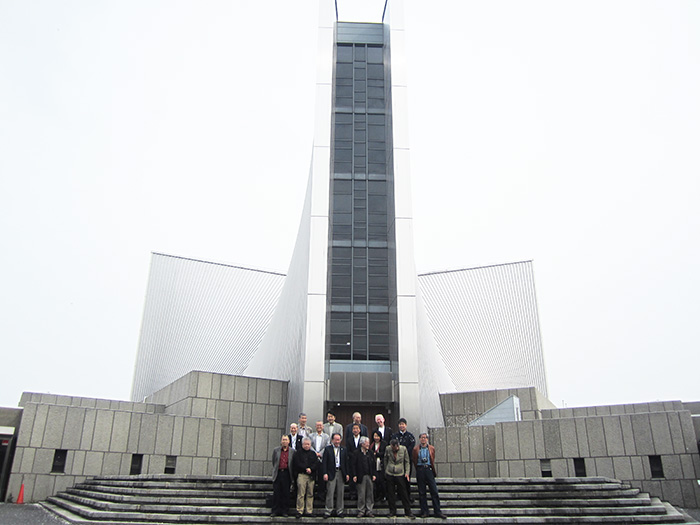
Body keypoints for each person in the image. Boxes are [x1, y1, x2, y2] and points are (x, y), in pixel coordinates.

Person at [412, 433, 447, 519]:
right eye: (422, 438)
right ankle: (424, 511)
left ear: (427, 439)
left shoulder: (431, 448)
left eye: (425, 438)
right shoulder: (416, 449)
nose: (423, 439)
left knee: (434, 491)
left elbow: (432, 458)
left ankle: (437, 511)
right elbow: (414, 460)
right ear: (419, 439)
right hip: (420, 469)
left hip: (429, 469)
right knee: (422, 492)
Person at [384, 438, 414, 518]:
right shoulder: (388, 449)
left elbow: (407, 462)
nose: (394, 449)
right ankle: (392, 511)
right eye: (393, 448)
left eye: (395, 448)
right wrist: (386, 471)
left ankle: (408, 511)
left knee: (404, 493)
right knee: (391, 493)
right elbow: (385, 460)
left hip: (400, 473)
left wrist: (407, 473)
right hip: (390, 472)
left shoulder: (403, 449)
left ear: (398, 446)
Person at [322, 433, 350, 518]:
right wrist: (325, 473)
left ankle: (340, 510)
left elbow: (346, 462)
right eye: (336, 439)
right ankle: (328, 511)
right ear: (332, 440)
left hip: (341, 472)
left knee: (340, 492)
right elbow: (324, 462)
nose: (337, 441)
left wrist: (347, 474)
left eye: (339, 439)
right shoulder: (328, 449)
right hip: (331, 472)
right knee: (330, 492)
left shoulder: (343, 449)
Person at [292, 437, 318, 518]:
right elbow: (297, 463)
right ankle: (300, 510)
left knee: (310, 494)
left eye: (308, 444)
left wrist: (311, 469)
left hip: (311, 476)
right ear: (302, 444)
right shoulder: (297, 453)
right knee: (301, 494)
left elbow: (316, 463)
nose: (307, 446)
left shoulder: (313, 454)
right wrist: (305, 469)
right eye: (305, 444)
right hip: (302, 474)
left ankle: (309, 511)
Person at [392, 418, 416, 501]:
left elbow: (411, 447)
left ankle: (408, 495)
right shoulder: (395, 436)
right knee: (398, 479)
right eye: (400, 424)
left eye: (403, 424)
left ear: (406, 425)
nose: (401, 426)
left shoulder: (410, 436)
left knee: (407, 478)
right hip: (397, 461)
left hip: (407, 460)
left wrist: (404, 453)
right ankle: (399, 495)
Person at [271, 435, 295, 517]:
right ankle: (275, 510)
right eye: (283, 440)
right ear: (281, 441)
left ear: (289, 441)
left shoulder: (292, 451)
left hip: (287, 473)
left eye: (286, 440)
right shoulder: (276, 450)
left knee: (286, 493)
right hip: (278, 473)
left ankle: (284, 511)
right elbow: (274, 461)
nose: (284, 441)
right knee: (276, 492)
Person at [352, 436, 376, 518]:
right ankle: (361, 510)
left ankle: (369, 510)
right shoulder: (356, 453)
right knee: (361, 494)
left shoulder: (370, 453)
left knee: (370, 494)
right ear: (362, 444)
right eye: (366, 443)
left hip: (369, 475)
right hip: (360, 476)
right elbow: (353, 465)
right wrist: (354, 475)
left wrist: (374, 474)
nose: (368, 445)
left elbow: (374, 464)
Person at [311, 421, 331, 498]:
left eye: (320, 425)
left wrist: (320, 454)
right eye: (317, 425)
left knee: (321, 478)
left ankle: (321, 494)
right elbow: (310, 445)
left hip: (322, 459)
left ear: (323, 427)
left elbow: (327, 446)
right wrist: (315, 453)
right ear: (315, 426)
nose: (319, 427)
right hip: (313, 459)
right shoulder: (311, 435)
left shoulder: (326, 437)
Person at [345, 423, 363, 499]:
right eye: (354, 429)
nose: (355, 430)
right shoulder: (349, 439)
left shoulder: (362, 439)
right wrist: (353, 455)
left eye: (357, 429)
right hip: (351, 460)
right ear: (352, 430)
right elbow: (348, 450)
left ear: (360, 430)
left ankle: (359, 494)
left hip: (360, 461)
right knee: (352, 477)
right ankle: (352, 494)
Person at [370, 430, 387, 502]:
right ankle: (377, 496)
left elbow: (384, 453)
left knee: (382, 481)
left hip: (382, 464)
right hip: (374, 464)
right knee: (376, 481)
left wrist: (377, 454)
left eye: (377, 436)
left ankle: (384, 495)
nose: (376, 438)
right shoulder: (372, 444)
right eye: (375, 436)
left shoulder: (384, 444)